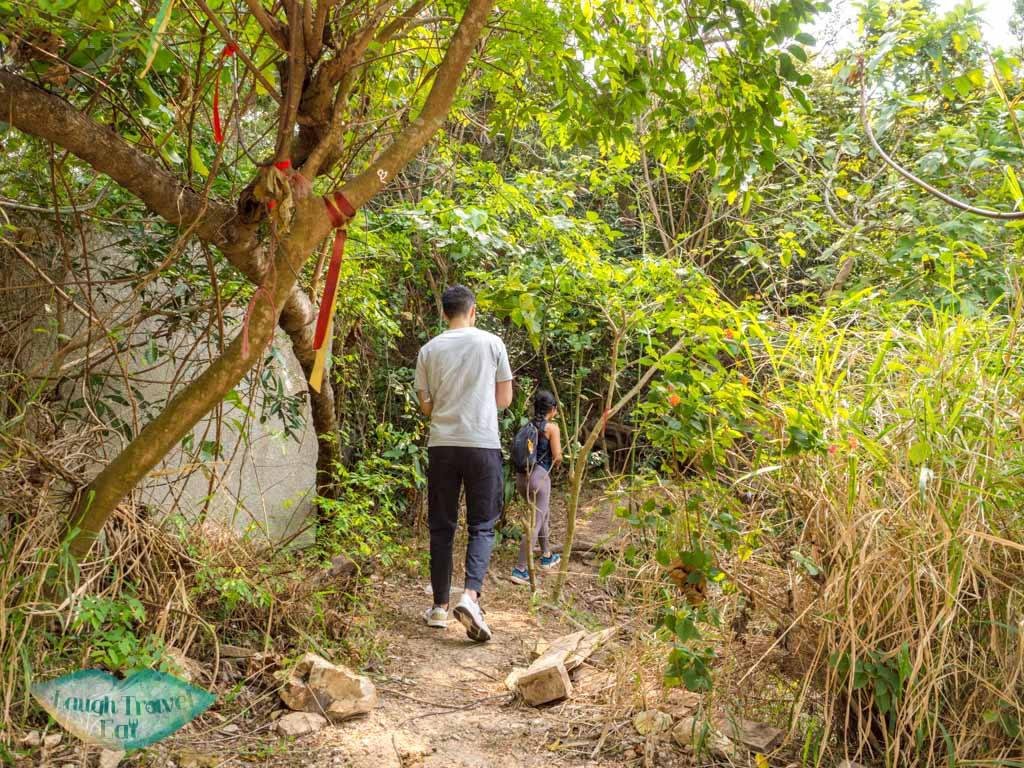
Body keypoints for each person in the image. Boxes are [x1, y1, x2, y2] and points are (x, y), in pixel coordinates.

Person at [414, 284, 513, 642]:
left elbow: (426, 407)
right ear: (473, 311)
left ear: (444, 314)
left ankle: (439, 607)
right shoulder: (492, 343)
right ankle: (470, 597)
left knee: (442, 526)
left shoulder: (428, 350)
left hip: (442, 445)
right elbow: (504, 400)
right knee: (482, 525)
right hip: (482, 443)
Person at [511, 389, 562, 585]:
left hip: (521, 479)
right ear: (553, 409)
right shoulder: (552, 428)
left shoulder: (527, 426)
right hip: (540, 478)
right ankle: (520, 568)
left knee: (542, 514)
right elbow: (556, 457)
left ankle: (547, 554)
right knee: (536, 522)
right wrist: (561, 459)